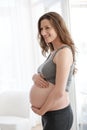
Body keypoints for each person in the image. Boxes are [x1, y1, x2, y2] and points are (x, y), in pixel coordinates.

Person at [30, 11, 76, 130]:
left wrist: (42, 110)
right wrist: (35, 77)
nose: (43, 32)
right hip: (50, 114)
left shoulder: (64, 52)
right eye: (41, 28)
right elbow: (47, 76)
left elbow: (59, 91)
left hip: (58, 115)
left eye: (47, 28)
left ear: (58, 27)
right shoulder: (54, 52)